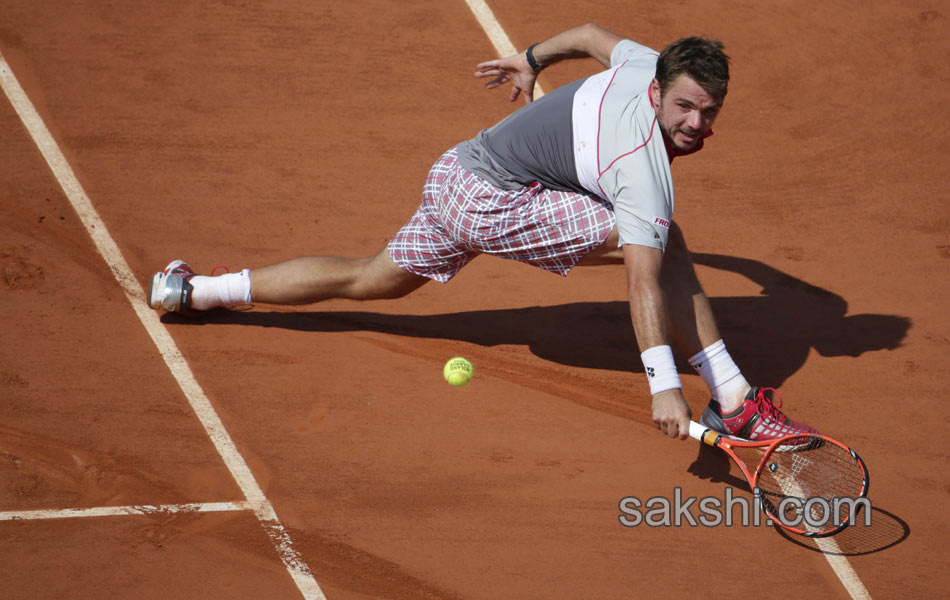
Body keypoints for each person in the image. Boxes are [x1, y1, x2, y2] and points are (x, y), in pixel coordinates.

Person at [148, 23, 817, 443]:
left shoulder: (647, 63)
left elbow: (586, 34)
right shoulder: (641, 170)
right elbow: (641, 275)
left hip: (458, 173)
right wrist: (663, 384)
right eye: (685, 108)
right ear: (656, 93)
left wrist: (529, 59)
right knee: (662, 242)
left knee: (369, 277)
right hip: (495, 201)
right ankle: (734, 400)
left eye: (709, 111)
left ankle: (190, 291)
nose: (697, 124)